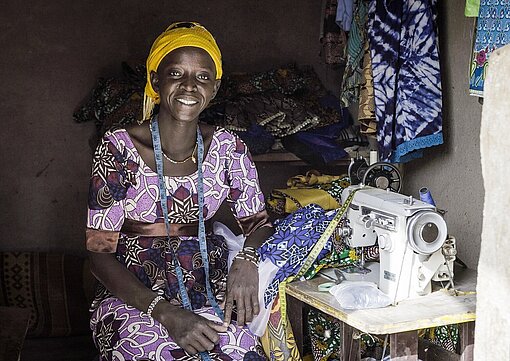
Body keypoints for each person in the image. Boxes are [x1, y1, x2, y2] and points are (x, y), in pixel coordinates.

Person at [85, 21, 273, 361]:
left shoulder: (228, 148)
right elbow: (98, 254)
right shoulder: (118, 149)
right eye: (176, 73)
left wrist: (248, 259)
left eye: (202, 77)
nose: (190, 86)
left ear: (214, 88)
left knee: (244, 354)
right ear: (156, 80)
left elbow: (258, 224)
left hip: (207, 292)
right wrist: (167, 313)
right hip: (134, 298)